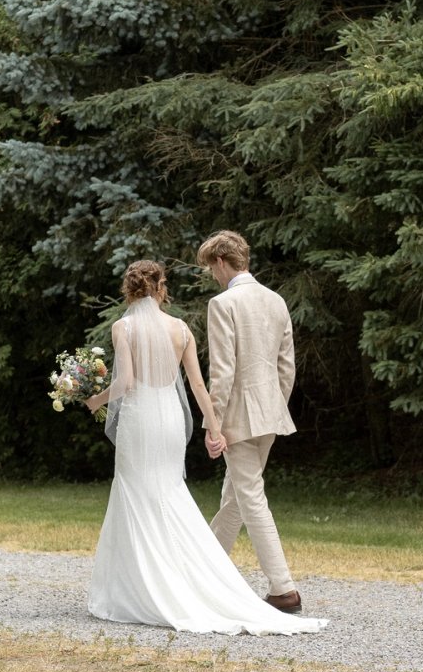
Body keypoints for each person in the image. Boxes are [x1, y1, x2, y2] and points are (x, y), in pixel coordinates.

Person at [84, 259, 326, 636]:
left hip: (140, 419)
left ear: (128, 289)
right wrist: (214, 429)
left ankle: (141, 587)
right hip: (169, 419)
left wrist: (96, 400)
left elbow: (127, 381)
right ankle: (186, 577)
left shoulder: (123, 327)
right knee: (169, 491)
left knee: (135, 492)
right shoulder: (180, 329)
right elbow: (198, 387)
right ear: (161, 287)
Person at [196, 230, 304, 613]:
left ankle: (283, 589)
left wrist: (214, 425)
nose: (212, 275)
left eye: (211, 267)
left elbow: (222, 373)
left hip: (239, 418)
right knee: (236, 498)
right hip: (271, 414)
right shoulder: (276, 301)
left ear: (221, 262)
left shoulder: (222, 303)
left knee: (250, 497)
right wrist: (274, 406)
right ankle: (206, 572)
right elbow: (286, 367)